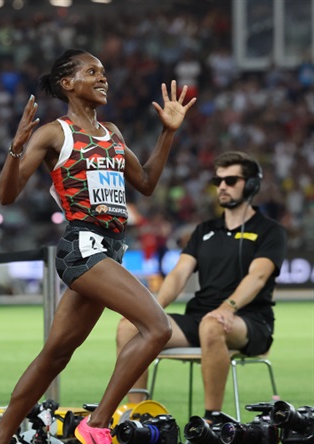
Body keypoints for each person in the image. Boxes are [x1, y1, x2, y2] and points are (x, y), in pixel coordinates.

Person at [0, 49, 196, 444]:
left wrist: (167, 134)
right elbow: (7, 194)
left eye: (104, 72)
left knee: (56, 354)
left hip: (108, 251)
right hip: (83, 248)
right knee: (155, 328)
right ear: (68, 84)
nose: (103, 78)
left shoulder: (110, 133)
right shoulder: (56, 132)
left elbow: (147, 183)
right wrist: (16, 147)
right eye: (92, 72)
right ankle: (97, 426)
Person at [116, 151, 287, 421]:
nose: (222, 187)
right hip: (200, 320)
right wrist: (150, 309)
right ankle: (138, 418)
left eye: (231, 180)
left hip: (250, 322)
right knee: (130, 326)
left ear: (252, 184)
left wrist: (227, 308)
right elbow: (178, 274)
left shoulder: (270, 231)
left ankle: (212, 421)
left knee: (212, 323)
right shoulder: (204, 230)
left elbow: (258, 277)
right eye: (217, 181)